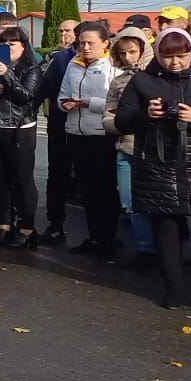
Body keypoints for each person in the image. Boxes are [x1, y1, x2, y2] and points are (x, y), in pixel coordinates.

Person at [115, 29, 191, 318]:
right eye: (167, 56)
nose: (175, 62)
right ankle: (173, 290)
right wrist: (146, 115)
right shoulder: (142, 80)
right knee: (166, 231)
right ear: (157, 54)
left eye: (181, 56)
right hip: (158, 165)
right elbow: (121, 121)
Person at [0, 27, 43, 249]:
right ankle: (5, 224)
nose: (8, 48)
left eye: (12, 44)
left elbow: (26, 97)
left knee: (22, 180)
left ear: (23, 46)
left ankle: (27, 228)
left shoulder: (31, 68)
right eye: (3, 44)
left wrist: (7, 75)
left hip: (18, 130)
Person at [60, 21, 118, 256]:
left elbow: (117, 104)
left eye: (90, 43)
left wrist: (87, 103)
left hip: (102, 134)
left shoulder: (113, 66)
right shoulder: (73, 65)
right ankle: (94, 237)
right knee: (87, 190)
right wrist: (65, 103)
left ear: (105, 43)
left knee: (105, 189)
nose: (85, 47)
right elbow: (63, 94)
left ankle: (109, 238)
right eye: (82, 43)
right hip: (77, 132)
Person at [105, 30, 156, 267]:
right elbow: (109, 116)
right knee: (129, 202)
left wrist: (128, 118)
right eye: (123, 53)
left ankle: (157, 247)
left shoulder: (156, 77)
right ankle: (144, 249)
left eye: (133, 52)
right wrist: (120, 122)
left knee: (155, 201)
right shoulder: (118, 81)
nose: (128, 57)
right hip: (125, 146)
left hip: (153, 149)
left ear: (144, 50)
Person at [35, 18, 81, 244]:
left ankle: (102, 234)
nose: (64, 35)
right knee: (57, 176)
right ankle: (55, 224)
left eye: (68, 31)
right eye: (61, 31)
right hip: (60, 124)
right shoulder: (60, 59)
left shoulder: (105, 61)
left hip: (93, 130)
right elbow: (43, 89)